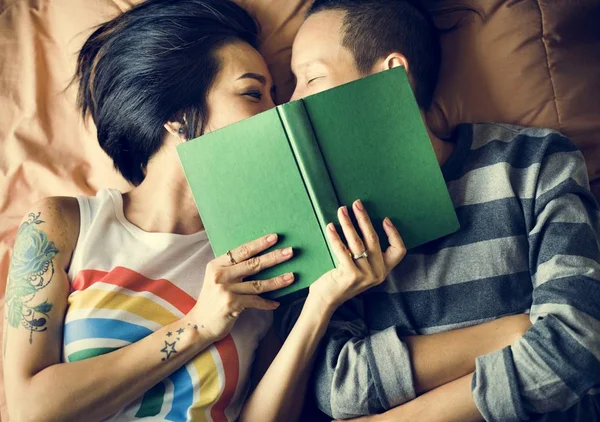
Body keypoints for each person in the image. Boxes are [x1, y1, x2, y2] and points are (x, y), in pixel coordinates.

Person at [2, 1, 409, 421]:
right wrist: (199, 325)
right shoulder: (63, 224)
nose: (278, 113)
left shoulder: (269, 249)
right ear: (178, 116)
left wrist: (320, 304)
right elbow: (32, 410)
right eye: (253, 93)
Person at [281, 0, 600, 421]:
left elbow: (576, 345)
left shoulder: (535, 162)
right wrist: (513, 330)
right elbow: (340, 386)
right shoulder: (334, 219)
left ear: (391, 73)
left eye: (311, 79)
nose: (290, 104)